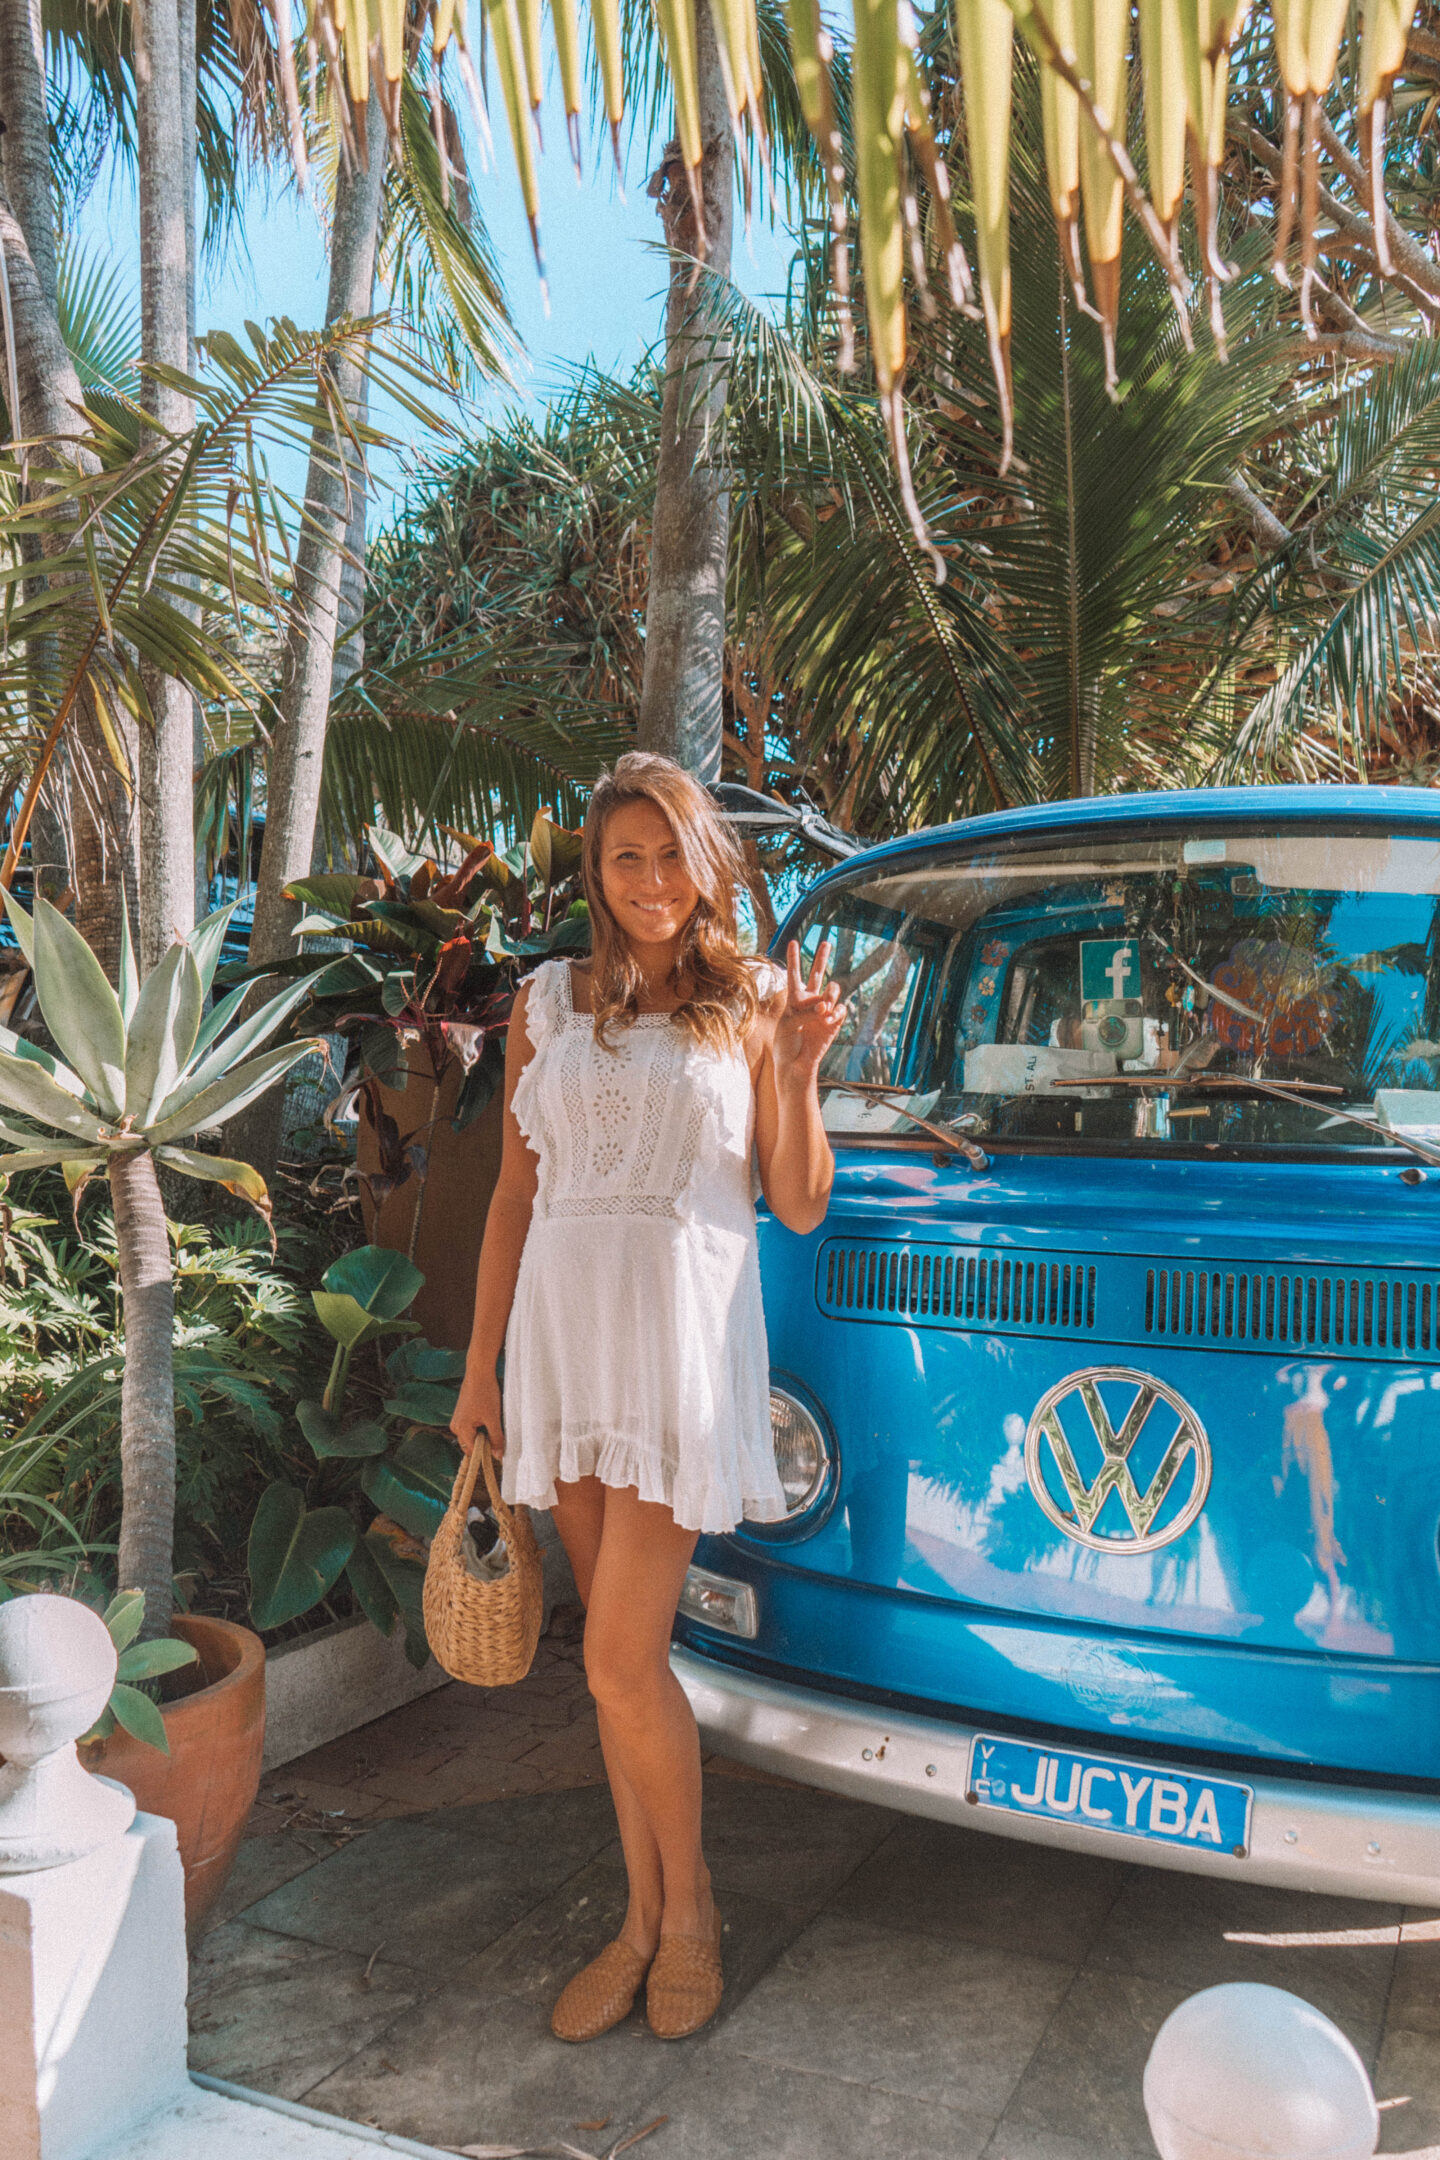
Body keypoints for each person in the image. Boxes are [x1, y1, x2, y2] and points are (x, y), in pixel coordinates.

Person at [449, 751, 847, 2045]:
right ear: (596, 872)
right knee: (622, 1676)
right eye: (626, 857)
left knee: (619, 1659)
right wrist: (479, 1366)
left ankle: (688, 1919)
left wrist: (795, 1066)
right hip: (563, 1348)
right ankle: (638, 1911)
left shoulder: (753, 999)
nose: (651, 881)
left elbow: (794, 1201)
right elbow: (514, 1197)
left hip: (677, 1348)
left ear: (708, 865)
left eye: (672, 854)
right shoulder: (546, 1003)